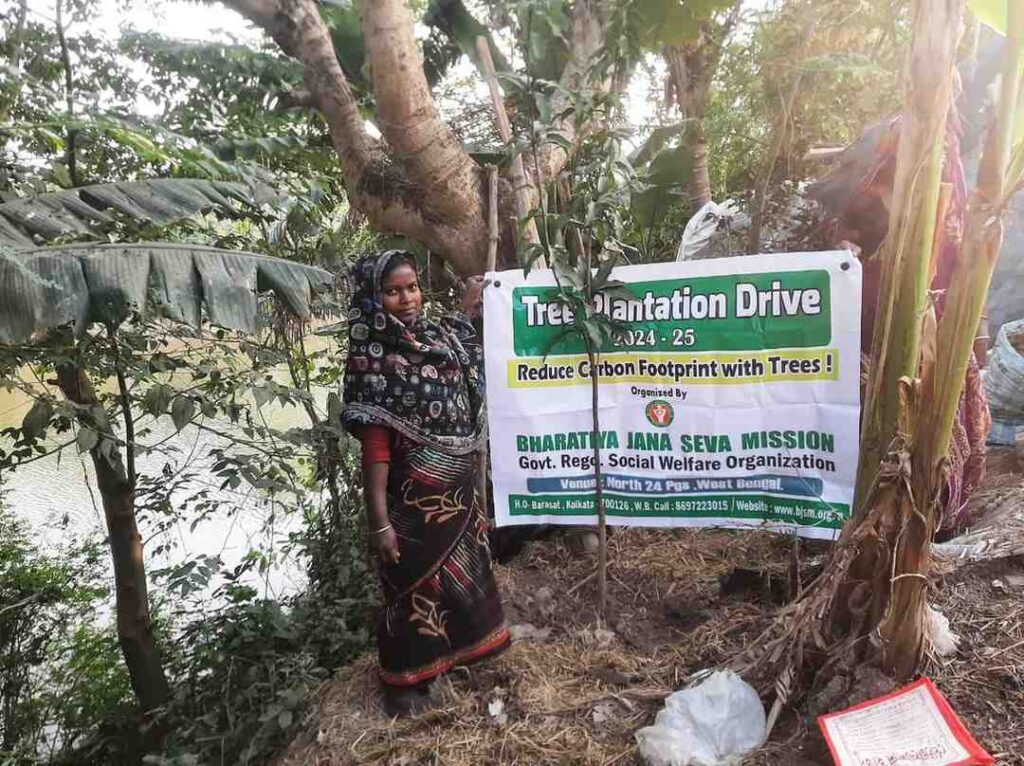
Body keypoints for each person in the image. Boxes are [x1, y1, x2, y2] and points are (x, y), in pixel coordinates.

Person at [341, 251, 509, 717]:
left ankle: (461, 655)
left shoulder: (435, 338)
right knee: (411, 590)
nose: (406, 298)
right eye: (393, 291)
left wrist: (471, 300)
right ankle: (404, 685)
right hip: (411, 507)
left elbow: (462, 339)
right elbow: (374, 451)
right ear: (373, 298)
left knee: (464, 577)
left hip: (456, 500)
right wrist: (379, 522)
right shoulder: (372, 359)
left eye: (411, 287)